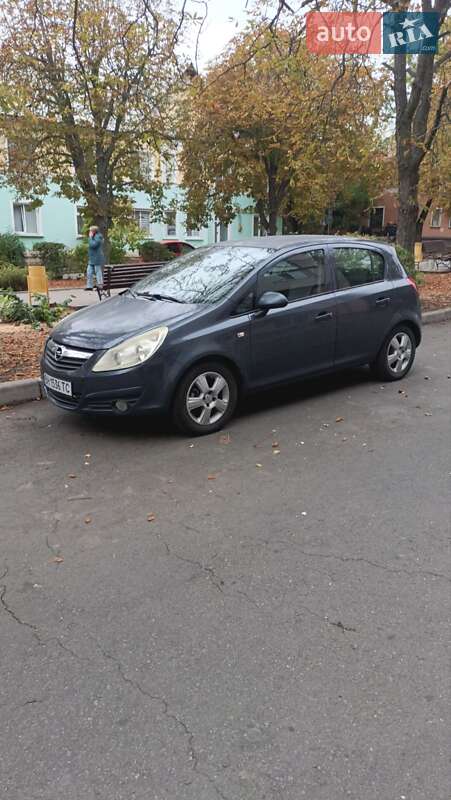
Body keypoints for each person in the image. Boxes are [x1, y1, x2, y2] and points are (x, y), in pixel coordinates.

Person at [85, 226, 105, 290]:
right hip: (92, 258)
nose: (89, 232)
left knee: (98, 271)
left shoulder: (98, 237)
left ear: (93, 231)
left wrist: (90, 238)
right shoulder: (94, 237)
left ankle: (100, 285)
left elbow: (93, 245)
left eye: (90, 231)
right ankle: (89, 286)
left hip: (97, 257)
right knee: (89, 271)